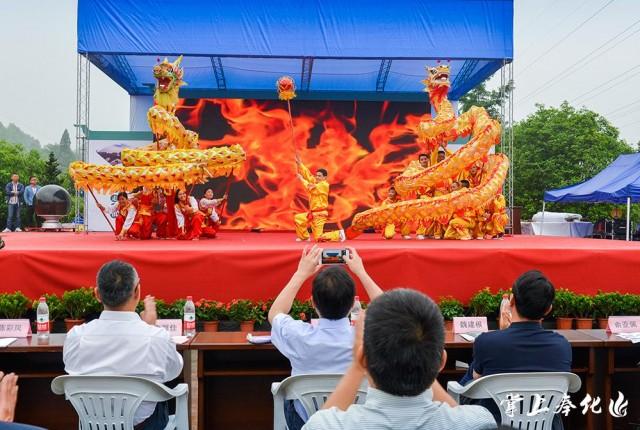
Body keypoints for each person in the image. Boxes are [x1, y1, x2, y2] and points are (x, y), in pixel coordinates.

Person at [302, 289, 496, 430]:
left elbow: (320, 421)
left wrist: (356, 364)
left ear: (363, 360)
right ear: (441, 361)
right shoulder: (479, 422)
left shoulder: (326, 425)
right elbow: (459, 418)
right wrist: (427, 363)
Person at [269, 246, 384, 430]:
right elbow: (391, 313)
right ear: (351, 305)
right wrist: (361, 272)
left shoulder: (297, 334)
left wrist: (300, 273)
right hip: (357, 422)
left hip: (305, 421)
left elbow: (275, 313)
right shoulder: (368, 336)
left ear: (313, 302)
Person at [63, 260, 183, 430]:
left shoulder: (76, 337)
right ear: (138, 291)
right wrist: (150, 327)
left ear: (97, 294)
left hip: (93, 424)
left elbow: (71, 369)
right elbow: (173, 371)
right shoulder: (155, 337)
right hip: (145, 424)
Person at [459, 270, 571, 428]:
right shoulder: (562, 346)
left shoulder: (487, 342)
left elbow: (470, 386)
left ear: (511, 300)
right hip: (544, 425)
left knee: (471, 378)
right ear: (548, 310)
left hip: (494, 424)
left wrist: (503, 334)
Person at [293, 154, 344, 242]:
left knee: (319, 238)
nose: (317, 177)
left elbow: (309, 187)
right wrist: (300, 164)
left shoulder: (323, 185)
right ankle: (304, 237)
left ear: (324, 177)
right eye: (316, 175)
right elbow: (308, 176)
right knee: (298, 218)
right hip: (312, 214)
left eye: (319, 176)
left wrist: (301, 179)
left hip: (319, 215)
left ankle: (338, 234)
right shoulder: (316, 182)